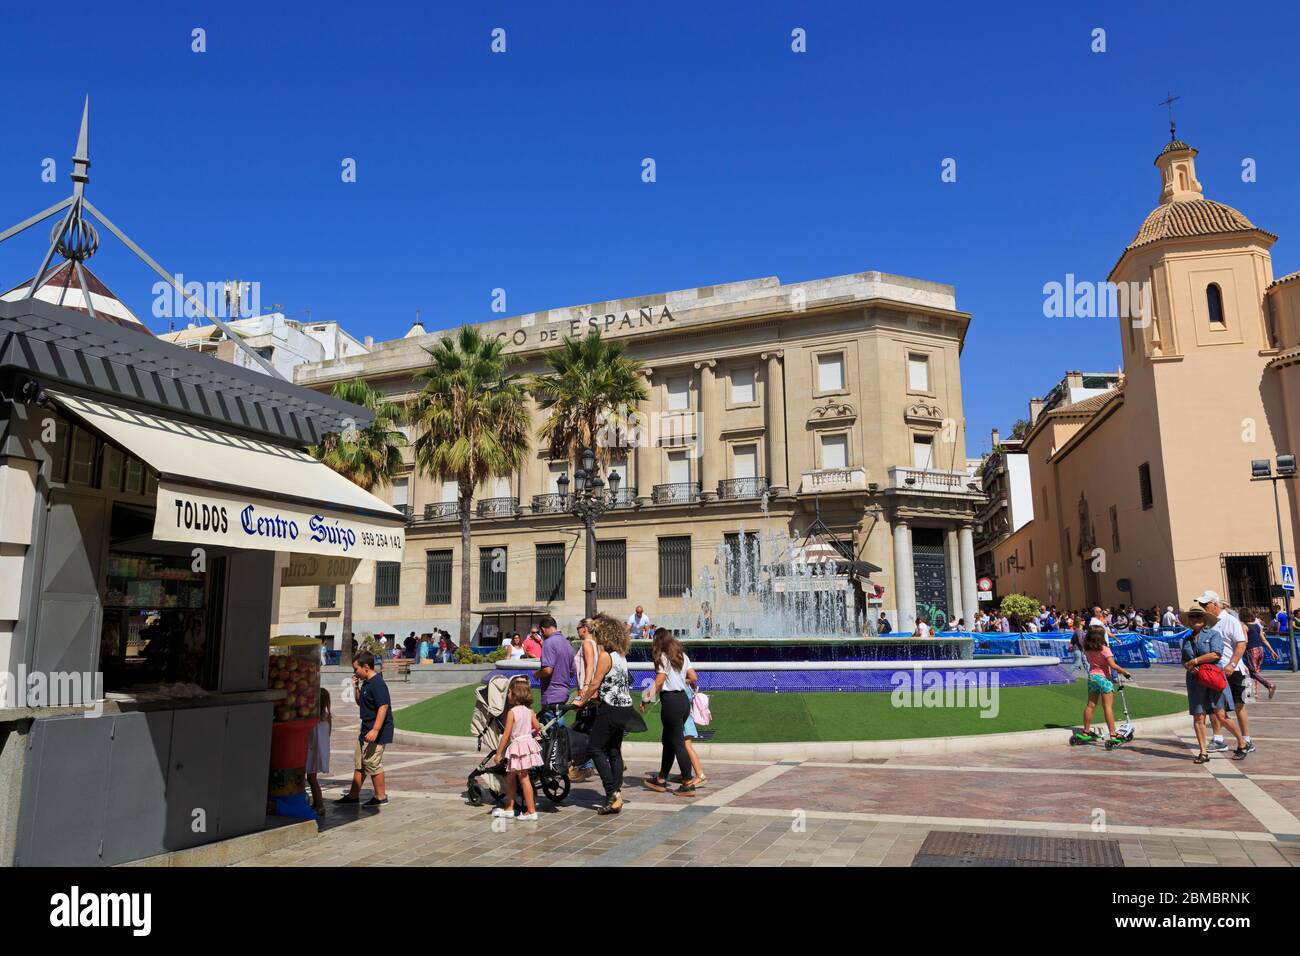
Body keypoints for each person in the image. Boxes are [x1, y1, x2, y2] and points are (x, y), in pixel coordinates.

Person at [571, 612, 640, 815]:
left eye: (598, 633)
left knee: (594, 748)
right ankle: (616, 793)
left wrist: (581, 701)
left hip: (610, 709)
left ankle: (611, 793)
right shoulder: (621, 656)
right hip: (625, 708)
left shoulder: (605, 656)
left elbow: (595, 682)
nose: (596, 635)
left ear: (606, 635)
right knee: (613, 750)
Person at [1181, 605, 1247, 762]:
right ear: (1189, 622)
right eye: (1192, 617)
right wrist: (1191, 668)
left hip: (1214, 678)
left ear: (1204, 620)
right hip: (1195, 681)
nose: (1195, 619)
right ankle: (1203, 753)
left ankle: (1242, 742)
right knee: (1198, 717)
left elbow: (1216, 654)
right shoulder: (1186, 639)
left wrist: (1195, 661)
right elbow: (1184, 661)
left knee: (1221, 715)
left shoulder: (1214, 635)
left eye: (1198, 616)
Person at [641, 628, 701, 796]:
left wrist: (646, 698)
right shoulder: (681, 656)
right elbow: (693, 676)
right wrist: (680, 680)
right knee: (669, 741)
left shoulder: (663, 657)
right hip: (683, 700)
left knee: (678, 743)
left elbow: (659, 682)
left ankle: (688, 782)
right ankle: (661, 779)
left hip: (671, 702)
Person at [1198, 591, 1255, 754]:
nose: (1203, 608)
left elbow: (1241, 643)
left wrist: (1232, 664)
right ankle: (1218, 739)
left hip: (1235, 670)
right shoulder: (1207, 623)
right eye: (1201, 605)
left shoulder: (1230, 620)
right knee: (1216, 707)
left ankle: (1247, 739)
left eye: (1205, 604)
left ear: (1214, 604)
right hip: (1215, 672)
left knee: (1239, 705)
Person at [337, 651, 393, 806]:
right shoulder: (366, 683)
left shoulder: (377, 683)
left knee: (373, 763)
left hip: (376, 730)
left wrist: (375, 730)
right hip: (365, 728)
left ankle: (381, 797)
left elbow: (383, 706)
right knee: (360, 763)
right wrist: (355, 687)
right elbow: (360, 702)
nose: (355, 672)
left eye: (356, 669)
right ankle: (353, 796)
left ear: (366, 667)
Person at [492, 676, 542, 821]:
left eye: (509, 692)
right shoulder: (530, 711)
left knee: (523, 777)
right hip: (526, 745)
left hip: (517, 747)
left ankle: (531, 811)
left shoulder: (512, 712)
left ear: (515, 694)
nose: (508, 695)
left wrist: (499, 753)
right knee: (511, 776)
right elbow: (537, 726)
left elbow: (506, 735)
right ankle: (509, 807)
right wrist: (530, 733)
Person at [1081, 624, 1133, 741]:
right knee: (1107, 707)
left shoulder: (1087, 649)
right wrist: (1125, 672)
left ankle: (1086, 731)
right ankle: (1113, 733)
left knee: (1090, 705)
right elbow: (1112, 665)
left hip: (1092, 677)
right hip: (1104, 678)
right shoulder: (1105, 649)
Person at [568, 618, 598, 783]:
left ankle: (584, 765)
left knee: (582, 728)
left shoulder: (587, 643)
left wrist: (585, 688)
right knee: (589, 725)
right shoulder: (595, 643)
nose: (577, 631)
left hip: (587, 691)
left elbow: (590, 665)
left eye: (578, 627)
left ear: (584, 629)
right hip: (592, 691)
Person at [536, 615, 573, 726]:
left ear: (543, 629)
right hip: (564, 692)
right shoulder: (567, 643)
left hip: (552, 694)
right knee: (547, 730)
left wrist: (536, 674)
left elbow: (547, 670)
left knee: (556, 729)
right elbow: (572, 671)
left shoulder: (548, 643)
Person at [1241, 608, 1279, 700]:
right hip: (1260, 649)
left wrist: (1240, 652)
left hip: (1251, 650)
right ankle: (1255, 693)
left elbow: (1245, 641)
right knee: (1256, 672)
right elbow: (1264, 639)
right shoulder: (1258, 626)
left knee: (1252, 672)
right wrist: (1272, 651)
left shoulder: (1244, 626)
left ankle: (1269, 685)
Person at [306, 687, 332, 815]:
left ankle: (319, 804)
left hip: (311, 751)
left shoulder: (312, 716)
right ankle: (317, 803)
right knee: (312, 779)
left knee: (310, 779)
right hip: (319, 751)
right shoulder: (327, 717)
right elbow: (328, 734)